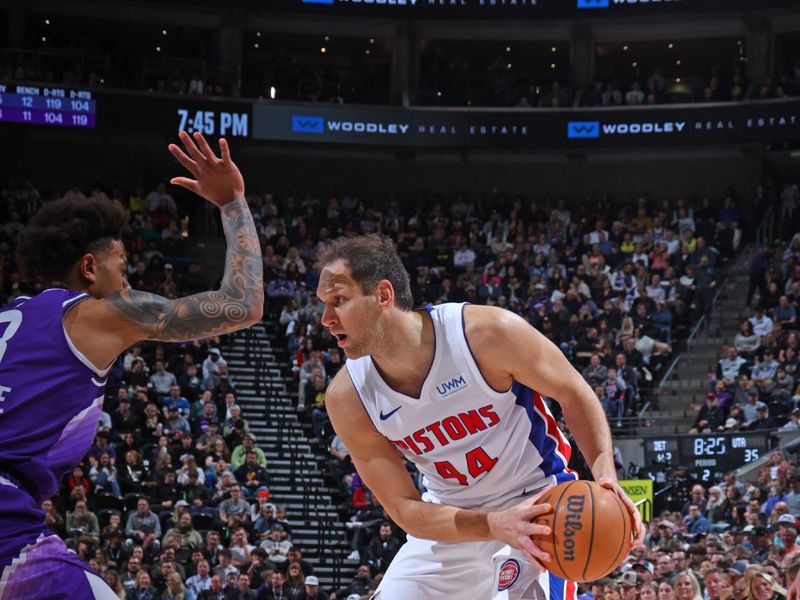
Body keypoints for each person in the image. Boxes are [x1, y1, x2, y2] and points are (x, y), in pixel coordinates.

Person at [0, 131, 263, 598]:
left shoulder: (10, 316)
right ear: (89, 268)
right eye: (122, 267)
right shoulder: (95, 312)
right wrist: (232, 203)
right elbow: (243, 304)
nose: (128, 281)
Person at [314, 234, 642, 600]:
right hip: (454, 521)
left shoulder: (486, 334)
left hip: (538, 504)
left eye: (338, 301)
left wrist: (606, 477)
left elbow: (573, 392)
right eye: (324, 304)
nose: (326, 319)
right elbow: (405, 509)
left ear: (383, 295)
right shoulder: (348, 398)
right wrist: (492, 525)